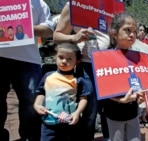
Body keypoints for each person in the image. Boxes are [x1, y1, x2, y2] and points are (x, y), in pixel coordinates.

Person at [53, 2, 110, 141]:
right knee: (89, 113)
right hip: (87, 66)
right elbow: (56, 36)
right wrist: (74, 38)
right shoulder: (74, 4)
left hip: (110, 65)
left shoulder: (111, 5)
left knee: (108, 111)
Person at [0, 0, 54, 140]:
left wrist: (23, 25)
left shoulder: (40, 4)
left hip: (28, 60)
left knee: (31, 102)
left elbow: (48, 30)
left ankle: (29, 137)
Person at [33, 42, 90, 140]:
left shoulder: (78, 80)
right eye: (61, 57)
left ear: (77, 62)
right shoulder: (48, 76)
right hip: (49, 122)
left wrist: (77, 113)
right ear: (55, 57)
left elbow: (83, 98)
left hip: (70, 122)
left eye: (69, 59)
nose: (64, 61)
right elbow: (41, 93)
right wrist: (37, 105)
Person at [104, 12, 145, 141]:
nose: (132, 34)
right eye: (127, 30)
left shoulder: (137, 57)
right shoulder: (105, 57)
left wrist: (140, 94)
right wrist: (119, 100)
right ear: (114, 33)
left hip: (133, 113)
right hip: (114, 114)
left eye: (134, 31)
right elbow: (103, 87)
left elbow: (138, 82)